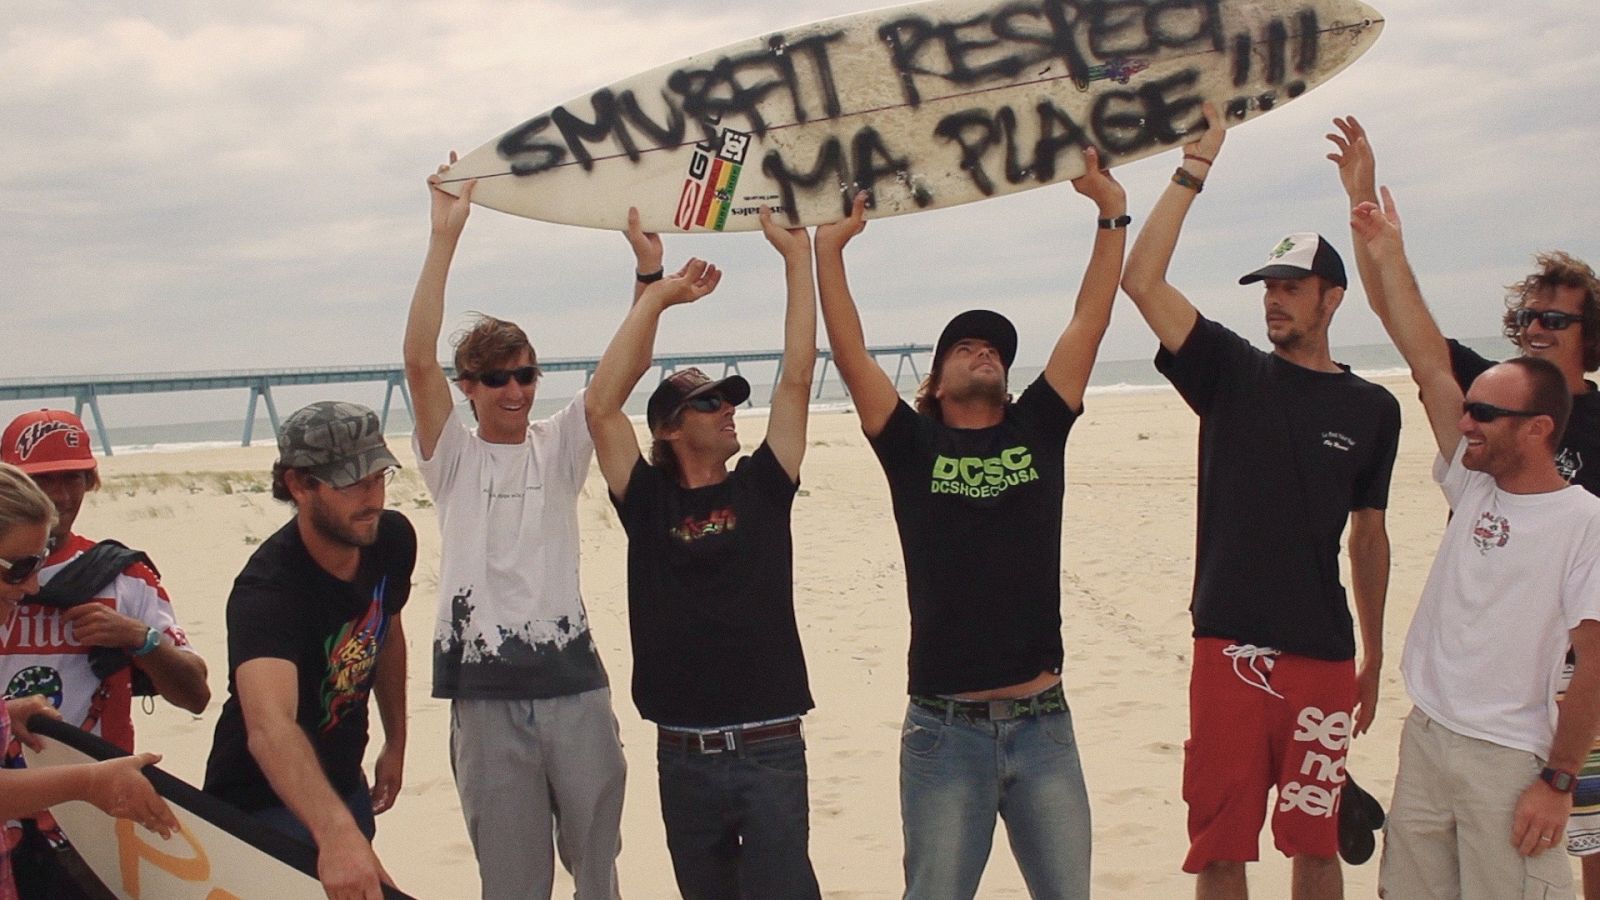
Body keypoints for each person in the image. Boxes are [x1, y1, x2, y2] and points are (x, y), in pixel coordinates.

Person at [812, 146, 1126, 899]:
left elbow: (1090, 318)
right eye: (966, 344)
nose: (986, 350)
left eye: (996, 349)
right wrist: (831, 251)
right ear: (937, 377)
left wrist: (1109, 212)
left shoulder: (1038, 431)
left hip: (1045, 725)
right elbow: (850, 353)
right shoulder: (910, 443)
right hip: (943, 732)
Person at [1120, 103, 1399, 900]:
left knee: (1316, 845)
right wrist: (1192, 169)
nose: (1274, 299)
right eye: (1267, 287)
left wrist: (1374, 657)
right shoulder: (1230, 372)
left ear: (1332, 298)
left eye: (1291, 286)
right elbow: (1142, 281)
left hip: (1323, 656)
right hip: (1230, 650)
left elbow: (1369, 539)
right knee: (1220, 846)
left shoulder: (1372, 410)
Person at [1330, 115, 1600, 893]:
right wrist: (1381, 244)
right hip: (1443, 727)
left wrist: (1557, 773)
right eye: (1527, 318)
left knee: (1580, 848)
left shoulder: (1581, 514)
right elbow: (1420, 351)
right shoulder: (1480, 446)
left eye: (1555, 319)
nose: (1467, 423)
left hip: (1537, 719)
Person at [403, 157, 625, 900]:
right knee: (513, 882)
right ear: (468, 388)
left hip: (575, 688)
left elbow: (617, 379)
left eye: (525, 375)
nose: (514, 390)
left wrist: (648, 286)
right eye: (495, 378)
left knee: (597, 870)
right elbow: (416, 361)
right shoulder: (453, 459)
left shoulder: (561, 446)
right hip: (485, 696)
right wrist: (444, 238)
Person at [587, 207, 820, 898]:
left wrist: (796, 260)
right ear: (668, 428)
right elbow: (602, 407)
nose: (728, 410)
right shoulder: (646, 499)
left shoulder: (763, 486)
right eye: (709, 403)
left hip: (771, 744)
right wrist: (655, 293)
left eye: (728, 400)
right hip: (683, 755)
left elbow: (798, 378)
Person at [202, 401, 414, 900]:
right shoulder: (267, 591)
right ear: (299, 485)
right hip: (260, 806)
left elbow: (386, 632)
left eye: (379, 476)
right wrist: (335, 834)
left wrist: (396, 742)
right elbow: (270, 726)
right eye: (350, 482)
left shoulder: (392, 540)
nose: (372, 497)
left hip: (345, 783)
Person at [0, 461, 178, 899]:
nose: (34, 585)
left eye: (41, 562)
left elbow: (195, 690)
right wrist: (90, 782)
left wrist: (6, 714)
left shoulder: (128, 577)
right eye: (20, 568)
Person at [0, 409, 209, 751]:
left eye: (72, 478)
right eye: (43, 480)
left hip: (94, 792)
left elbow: (196, 696)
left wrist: (142, 639)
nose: (61, 497)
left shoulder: (125, 577)